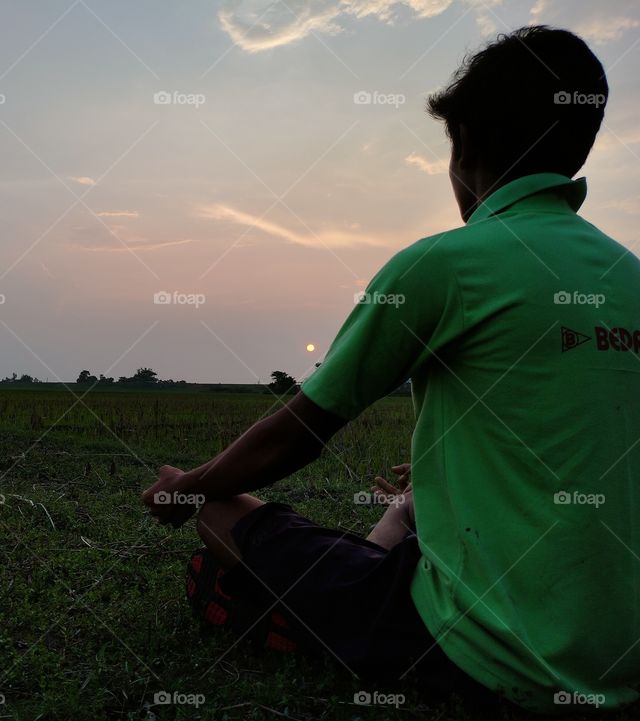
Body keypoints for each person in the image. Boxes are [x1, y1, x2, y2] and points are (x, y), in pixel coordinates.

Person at [142, 25, 640, 713]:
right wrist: (444, 475)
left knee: (222, 517)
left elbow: (301, 432)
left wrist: (185, 486)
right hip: (623, 665)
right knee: (400, 524)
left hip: (490, 660)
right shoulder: (629, 276)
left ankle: (310, 620)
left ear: (463, 144)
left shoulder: (444, 265)